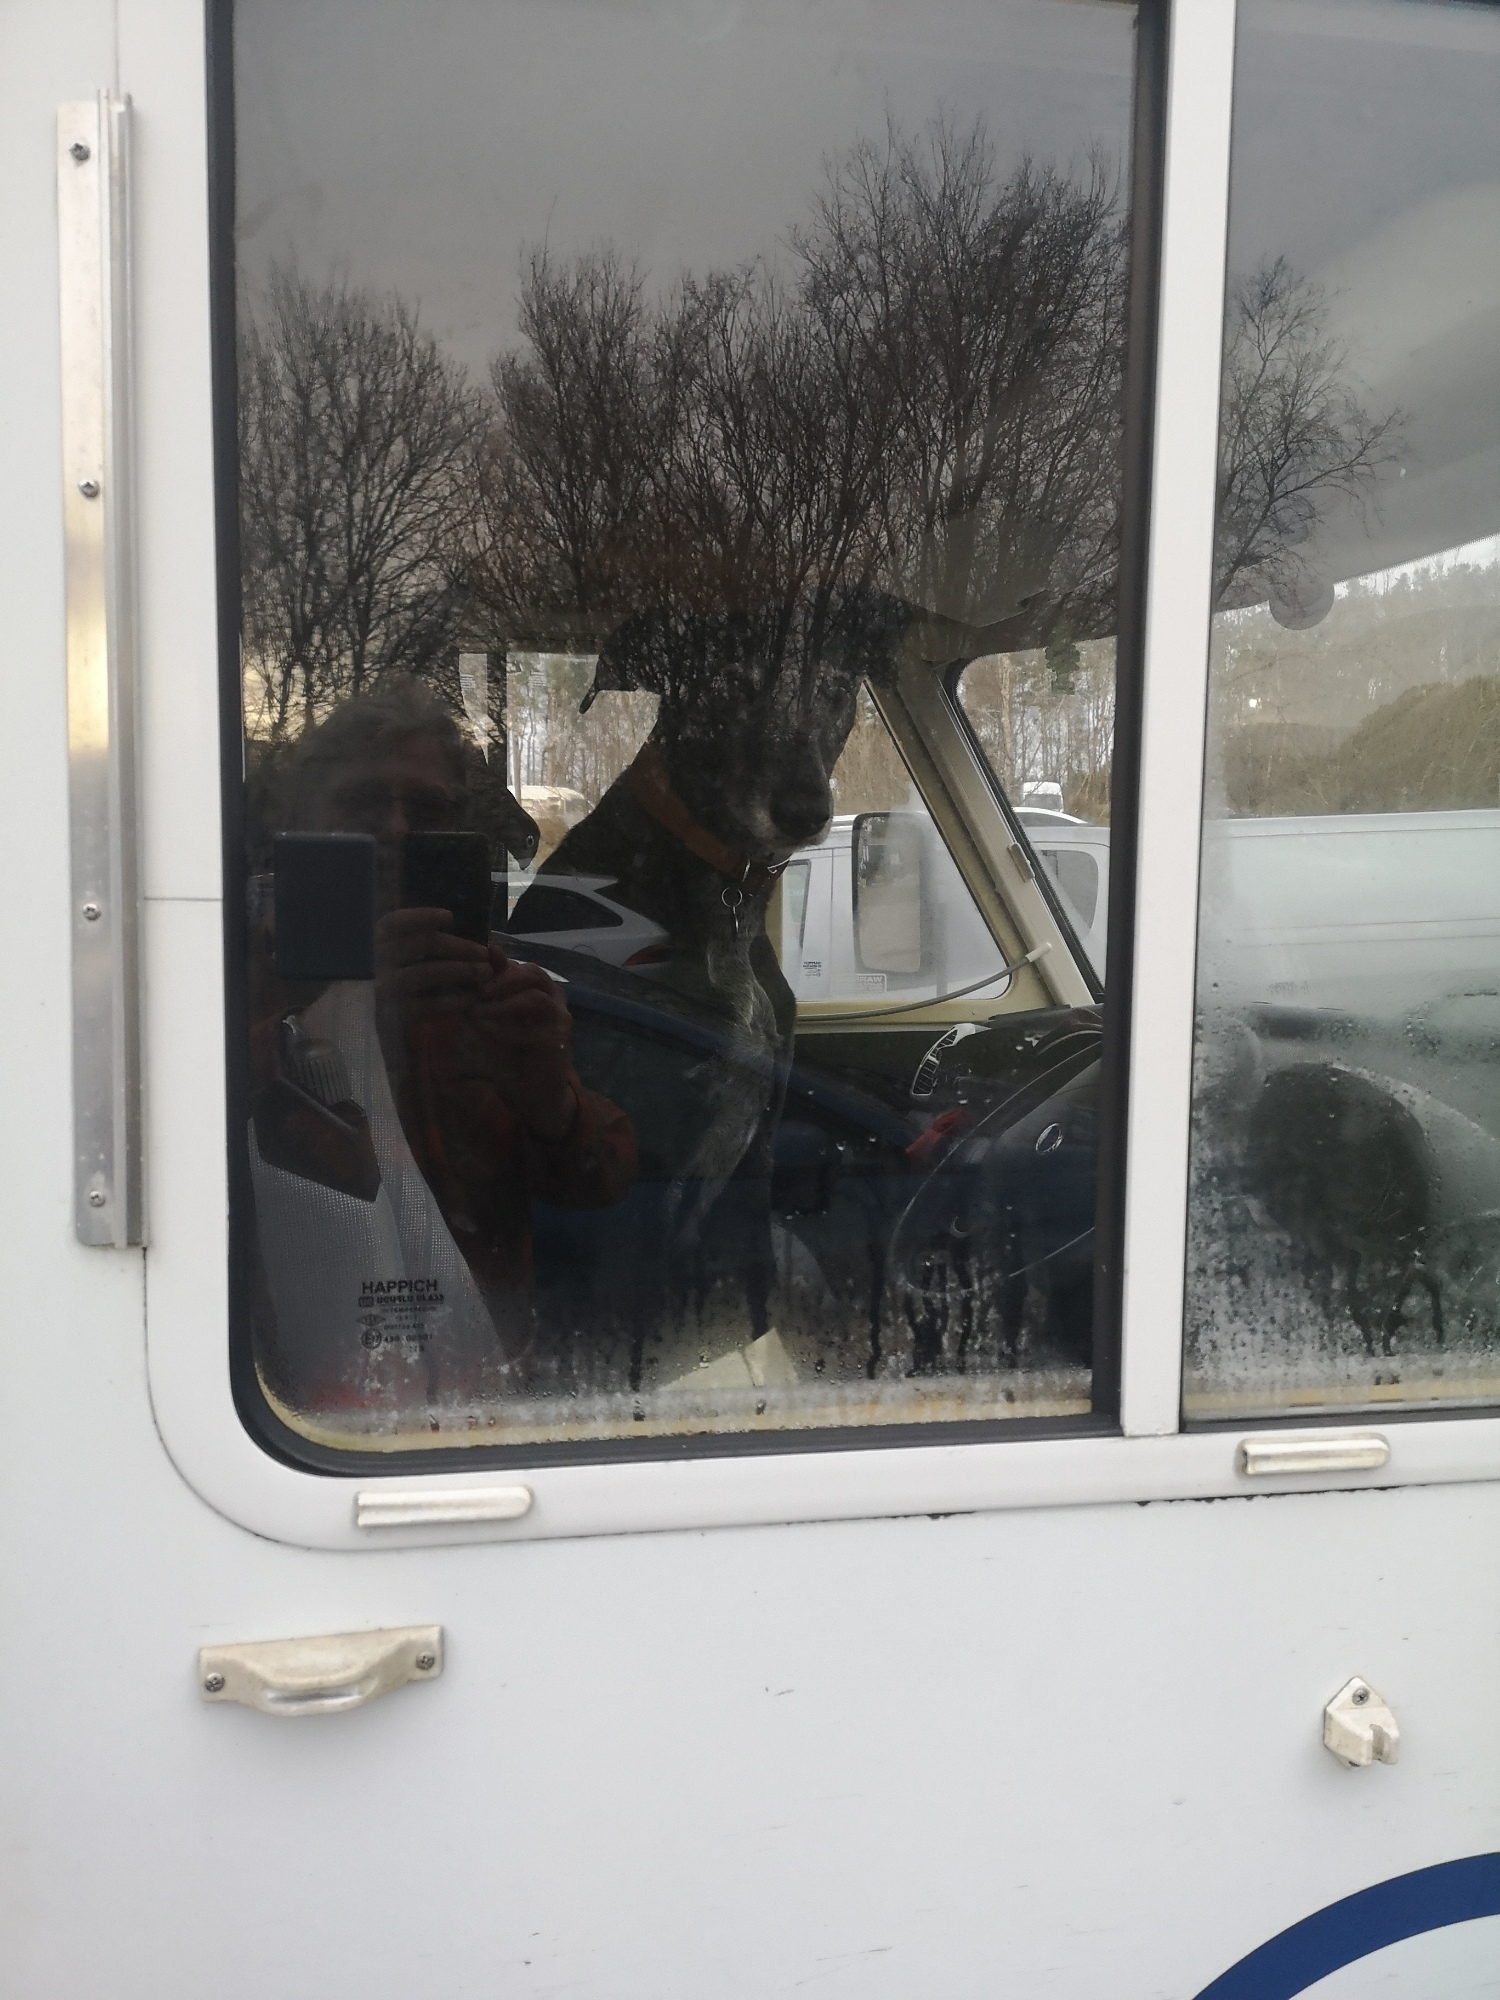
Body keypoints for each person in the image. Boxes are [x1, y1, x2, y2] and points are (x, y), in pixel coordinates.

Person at [247, 676, 636, 1426]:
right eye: (365, 803)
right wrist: (293, 1002)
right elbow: (178, 1157)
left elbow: (602, 1181)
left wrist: (550, 1099)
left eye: (426, 811)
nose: (396, 830)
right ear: (304, 819)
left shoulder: (481, 990)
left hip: (477, 1394)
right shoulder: (238, 980)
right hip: (280, 1413)